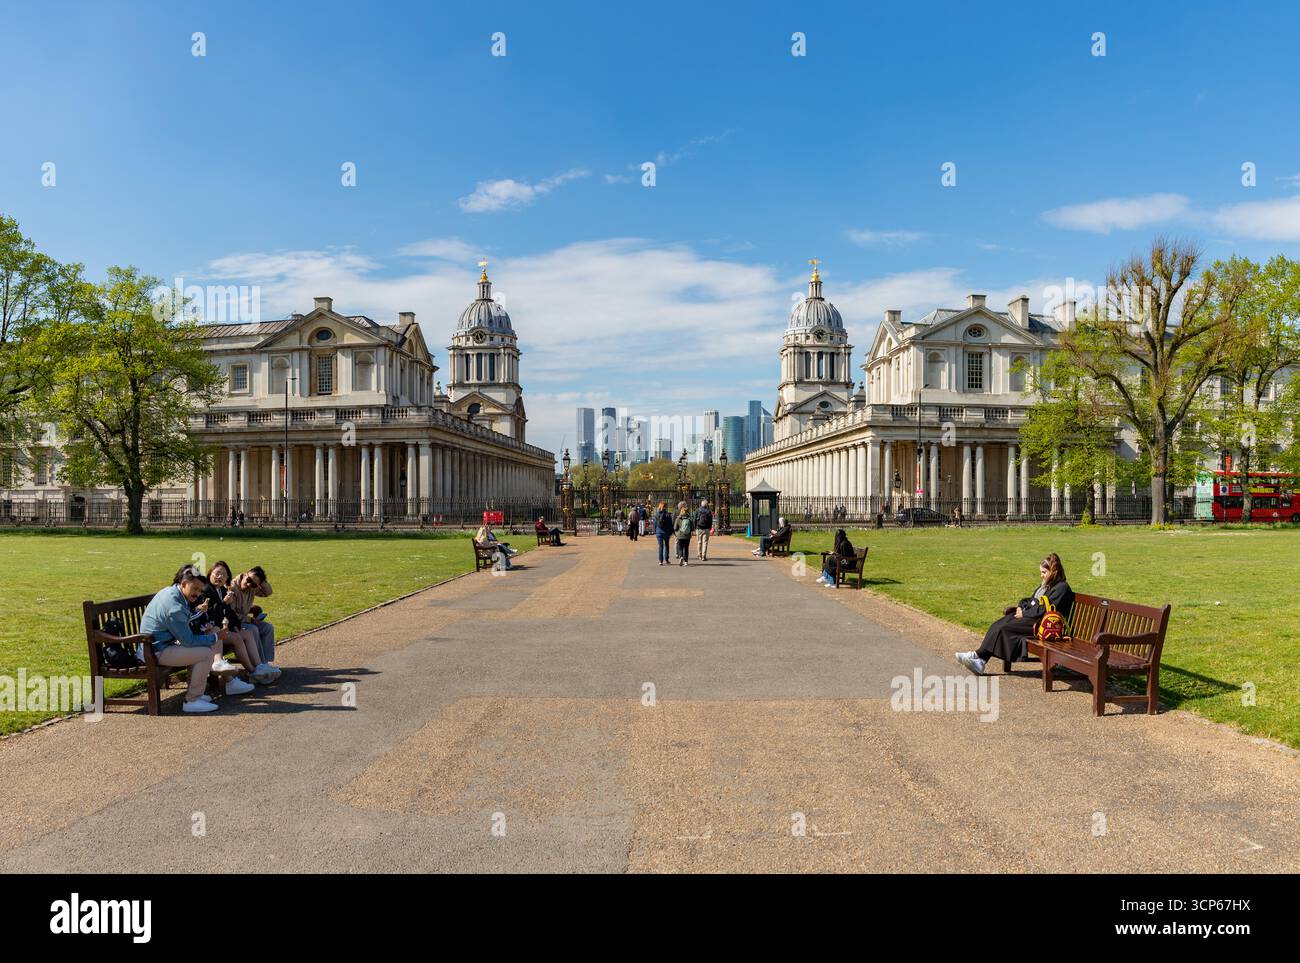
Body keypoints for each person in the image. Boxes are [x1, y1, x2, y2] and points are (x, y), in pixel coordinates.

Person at [142, 567, 244, 712]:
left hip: (157, 646)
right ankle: (192, 700)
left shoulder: (172, 592)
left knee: (201, 650)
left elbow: (184, 623)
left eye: (200, 590)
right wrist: (215, 636)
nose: (197, 593)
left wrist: (200, 619)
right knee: (206, 653)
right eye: (194, 588)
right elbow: (188, 641)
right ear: (183, 584)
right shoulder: (174, 606)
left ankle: (195, 695)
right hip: (155, 651)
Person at [957, 553, 1074, 675]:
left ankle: (978, 657)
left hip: (1044, 626)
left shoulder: (1061, 588)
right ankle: (979, 659)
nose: (1042, 575)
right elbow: (1031, 600)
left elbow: (1043, 610)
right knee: (1000, 623)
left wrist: (1024, 613)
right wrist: (1020, 606)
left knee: (1004, 628)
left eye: (1044, 572)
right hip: (1035, 619)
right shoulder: (1046, 585)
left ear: (1054, 571)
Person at [206, 561, 279, 684]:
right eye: (249, 580)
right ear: (245, 574)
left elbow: (268, 592)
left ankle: (262, 665)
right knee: (251, 630)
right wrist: (246, 621)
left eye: (224, 575)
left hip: (231, 624)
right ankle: (255, 669)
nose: (249, 584)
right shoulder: (231, 589)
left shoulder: (250, 588)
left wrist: (260, 581)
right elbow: (226, 613)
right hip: (227, 625)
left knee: (267, 628)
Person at [673, 501, 694, 566]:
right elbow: (692, 528)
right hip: (687, 536)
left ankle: (681, 556)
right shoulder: (689, 519)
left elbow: (675, 528)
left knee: (680, 547)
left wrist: (676, 532)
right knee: (686, 548)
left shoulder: (678, 518)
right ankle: (686, 561)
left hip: (680, 535)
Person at [653, 501, 673, 566]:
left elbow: (655, 524)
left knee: (661, 546)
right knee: (667, 545)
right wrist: (671, 531)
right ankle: (666, 559)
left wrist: (655, 531)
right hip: (666, 532)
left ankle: (660, 560)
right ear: (665, 507)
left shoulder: (656, 514)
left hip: (659, 532)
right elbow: (670, 524)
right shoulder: (668, 515)